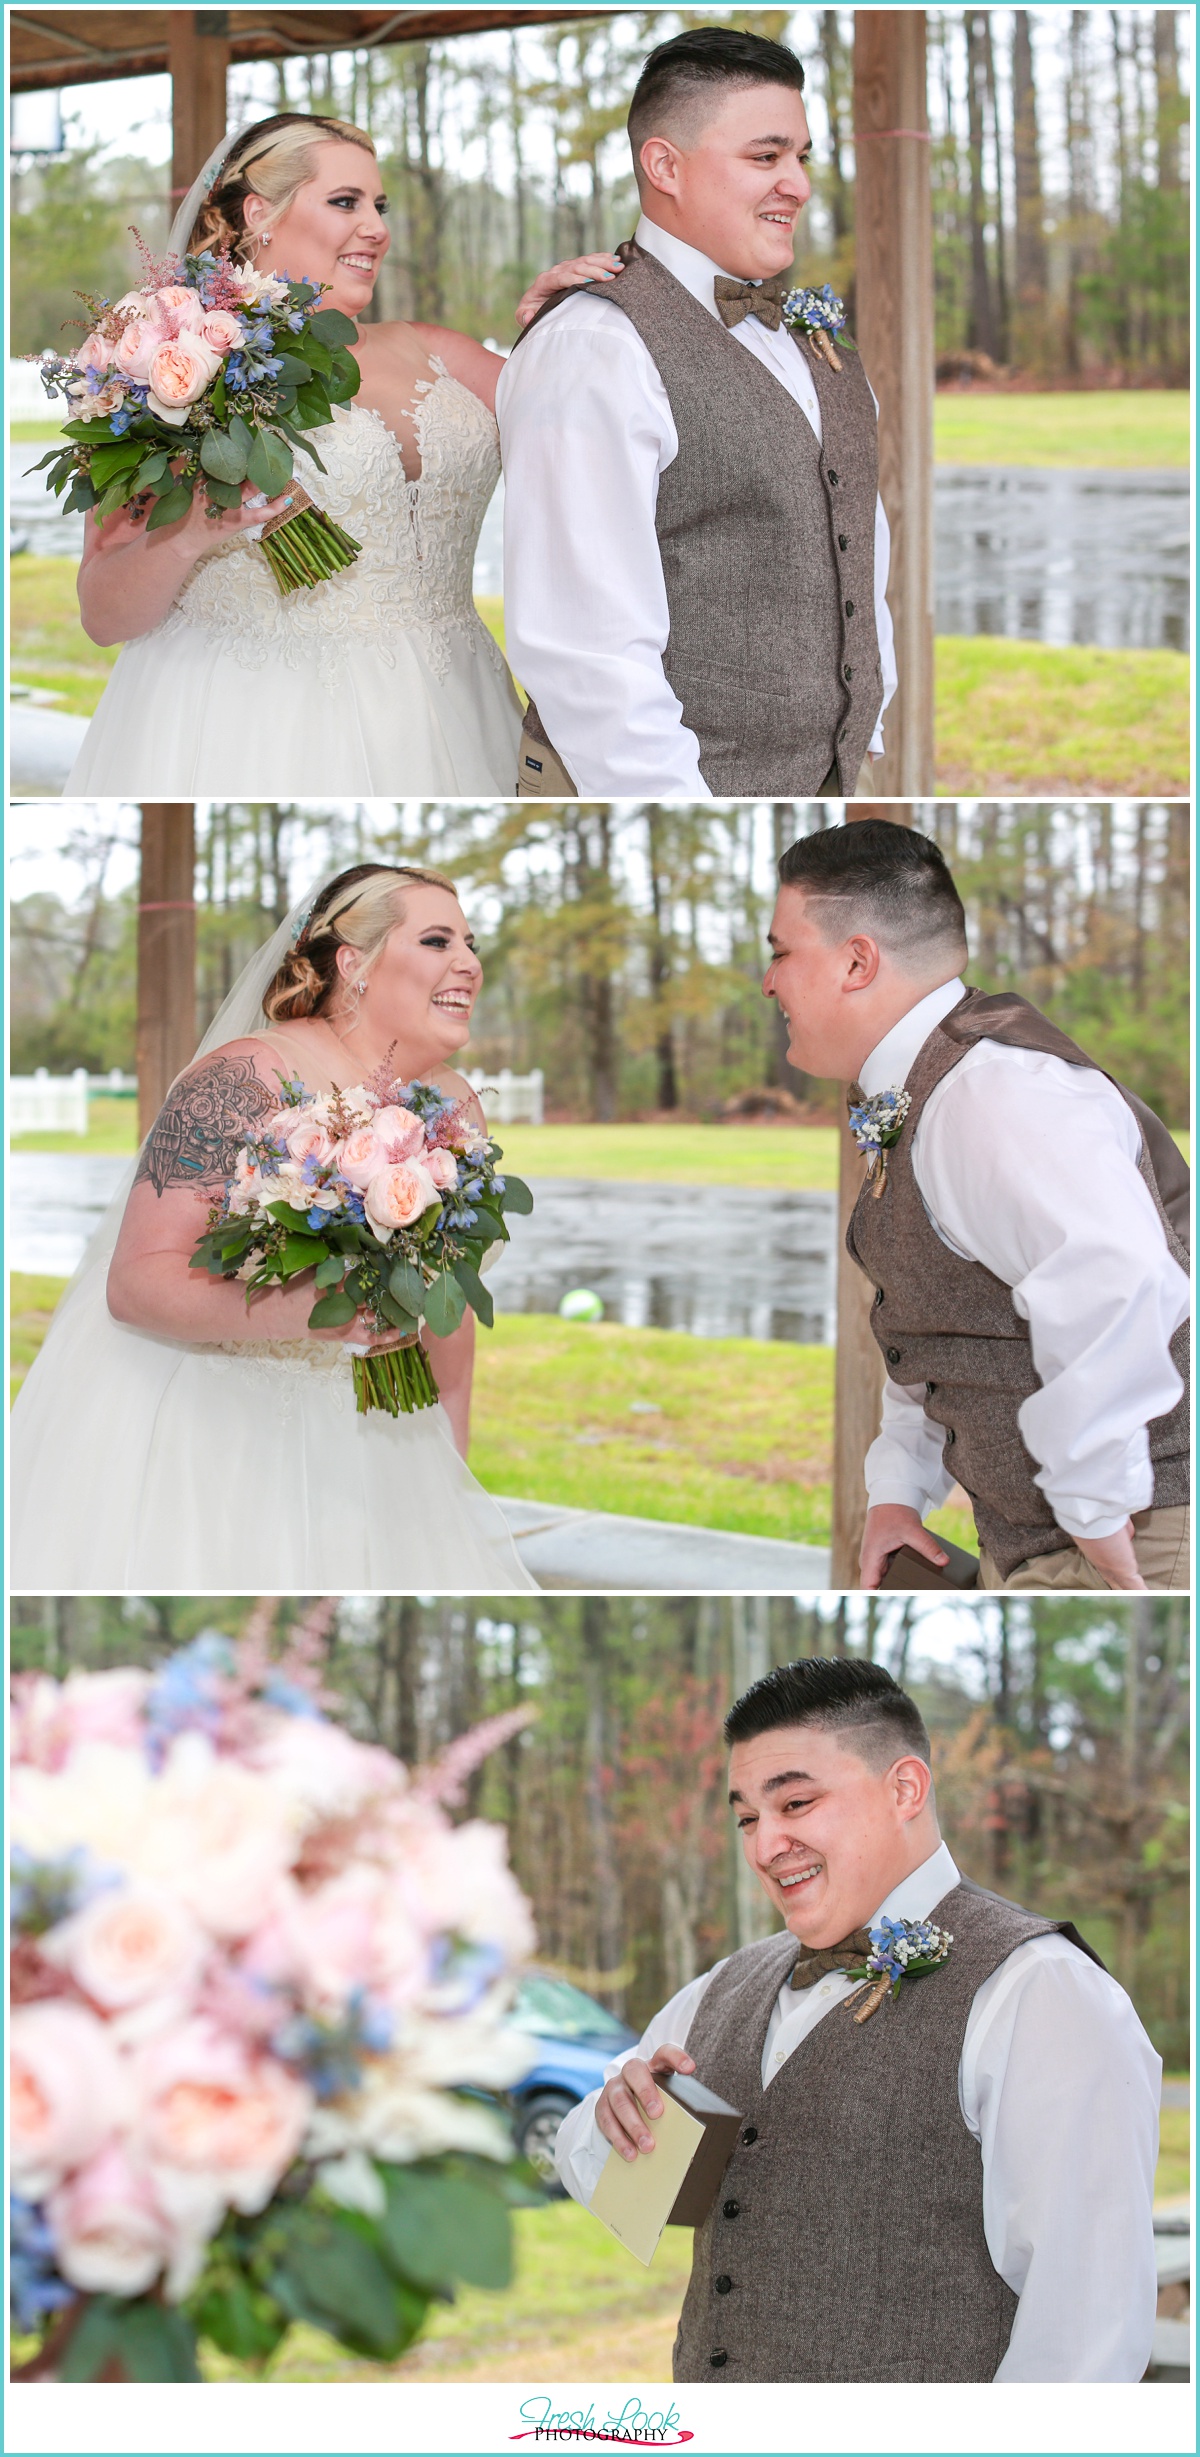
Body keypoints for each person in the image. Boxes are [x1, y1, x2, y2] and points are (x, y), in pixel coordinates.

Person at [556, 1657, 1160, 2383]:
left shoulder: (1042, 1993)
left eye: (796, 1804)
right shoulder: (722, 1986)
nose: (762, 1845)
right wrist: (613, 2118)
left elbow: (1084, 2336)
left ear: (904, 1787)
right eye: (747, 1815)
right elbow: (587, 2165)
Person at [10, 863, 537, 1592]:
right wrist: (310, 1316)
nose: (470, 964)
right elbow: (135, 1283)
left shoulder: (454, 1107)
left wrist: (449, 1454)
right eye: (438, 940)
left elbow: (446, 1296)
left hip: (378, 1432)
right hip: (204, 1419)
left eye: (471, 943)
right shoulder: (243, 1076)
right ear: (354, 963)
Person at [62, 112, 619, 796]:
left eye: (379, 205)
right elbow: (102, 614)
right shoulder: (171, 363)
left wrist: (561, 331)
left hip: (456, 699)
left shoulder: (433, 348)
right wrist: (190, 534)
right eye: (345, 202)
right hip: (254, 721)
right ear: (261, 214)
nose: (377, 228)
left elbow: (593, 432)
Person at [763, 822, 1190, 1592]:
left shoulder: (994, 1092)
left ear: (857, 960)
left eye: (781, 951)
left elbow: (1118, 1276)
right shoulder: (929, 1085)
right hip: (1061, 1538)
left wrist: (1092, 1511)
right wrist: (899, 1490)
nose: (768, 982)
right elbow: (941, 1323)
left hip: (1140, 1532)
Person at [497, 25, 897, 798]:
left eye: (802, 157)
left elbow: (859, 554)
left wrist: (861, 732)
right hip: (659, 790)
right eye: (766, 155)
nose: (800, 185)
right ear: (665, 165)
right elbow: (589, 652)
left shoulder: (816, 336)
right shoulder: (594, 344)